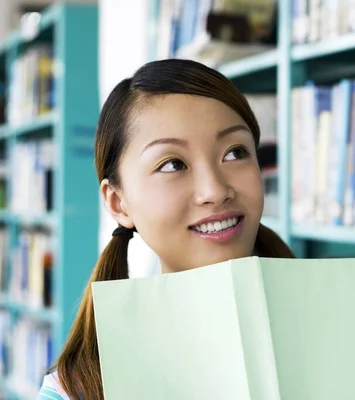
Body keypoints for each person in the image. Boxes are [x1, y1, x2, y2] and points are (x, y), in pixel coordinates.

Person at [37, 58, 294, 400]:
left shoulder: (341, 330)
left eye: (234, 153)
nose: (215, 191)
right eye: (173, 164)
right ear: (118, 203)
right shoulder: (77, 389)